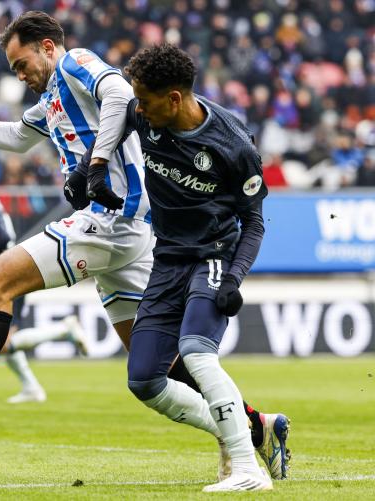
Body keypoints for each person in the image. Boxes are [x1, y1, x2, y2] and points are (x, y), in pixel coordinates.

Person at [0, 12, 288, 483]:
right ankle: (255, 428)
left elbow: (121, 93)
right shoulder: (53, 99)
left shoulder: (76, 63)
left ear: (46, 47)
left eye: (22, 64)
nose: (19, 75)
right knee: (156, 370)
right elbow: (19, 138)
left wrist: (95, 163)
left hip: (109, 220)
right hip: (134, 233)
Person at [104, 43, 284, 491]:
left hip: (215, 256)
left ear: (175, 99)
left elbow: (255, 222)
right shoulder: (142, 113)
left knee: (198, 352)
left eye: (145, 99)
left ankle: (246, 470)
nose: (137, 108)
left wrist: (235, 279)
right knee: (144, 381)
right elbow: (113, 117)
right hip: (167, 260)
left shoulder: (233, 144)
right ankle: (254, 431)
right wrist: (93, 166)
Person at [0, 154, 88, 404]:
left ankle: (63, 331)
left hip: (8, 278)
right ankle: (31, 387)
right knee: (4, 338)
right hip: (8, 273)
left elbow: (0, 241)